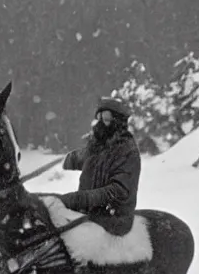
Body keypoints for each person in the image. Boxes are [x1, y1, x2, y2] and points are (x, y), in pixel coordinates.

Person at [59, 96, 141, 236]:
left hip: (114, 220)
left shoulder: (127, 150)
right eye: (100, 116)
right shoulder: (99, 145)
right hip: (89, 213)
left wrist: (80, 199)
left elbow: (119, 191)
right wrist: (68, 159)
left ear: (118, 120)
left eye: (107, 116)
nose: (102, 121)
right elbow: (85, 157)